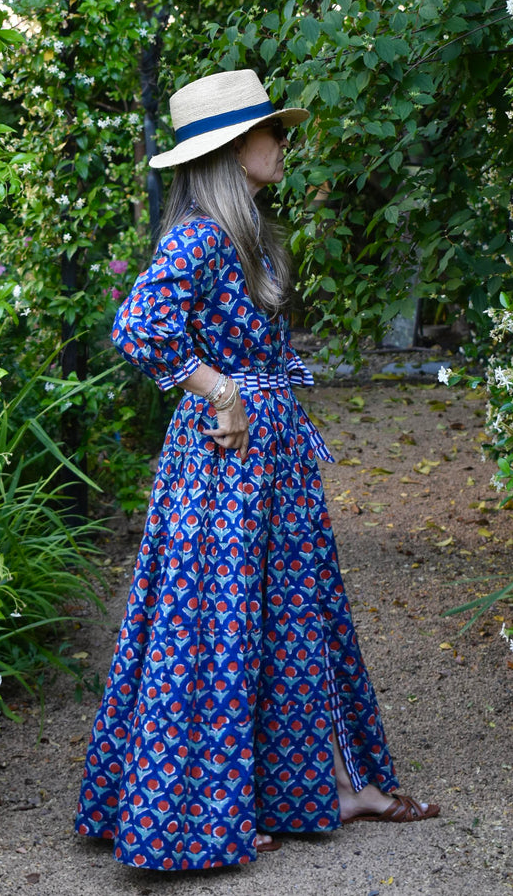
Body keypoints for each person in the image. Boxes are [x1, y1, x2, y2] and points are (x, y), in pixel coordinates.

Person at [74, 68, 439, 871]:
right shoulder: (200, 235)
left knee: (292, 613)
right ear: (237, 148)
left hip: (268, 455)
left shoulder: (242, 233)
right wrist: (221, 389)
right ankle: (205, 814)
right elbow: (137, 329)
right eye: (275, 132)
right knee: (218, 623)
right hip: (223, 459)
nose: (285, 144)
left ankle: (330, 787)